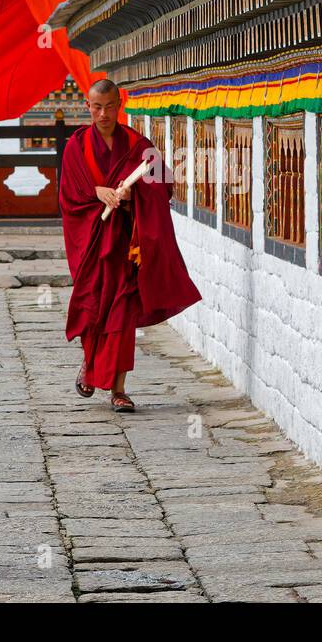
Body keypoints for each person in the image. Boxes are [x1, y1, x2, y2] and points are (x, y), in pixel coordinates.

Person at [59, 79, 201, 412]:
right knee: (92, 307)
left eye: (109, 106)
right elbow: (69, 196)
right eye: (96, 107)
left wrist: (132, 195)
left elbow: (164, 185)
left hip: (125, 245)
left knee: (121, 313)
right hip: (94, 244)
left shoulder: (139, 145)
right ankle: (90, 364)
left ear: (119, 105)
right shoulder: (76, 147)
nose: (103, 114)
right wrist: (98, 192)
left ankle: (119, 390)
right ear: (88, 106)